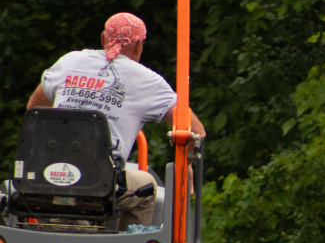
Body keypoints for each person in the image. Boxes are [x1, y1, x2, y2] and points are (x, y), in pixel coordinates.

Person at [26, 12, 205, 230]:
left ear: (103, 39)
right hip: (99, 184)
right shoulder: (148, 81)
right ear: (139, 46)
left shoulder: (69, 61)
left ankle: (67, 227)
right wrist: (186, 165)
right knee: (146, 185)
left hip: (48, 177)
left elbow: (34, 110)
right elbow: (195, 130)